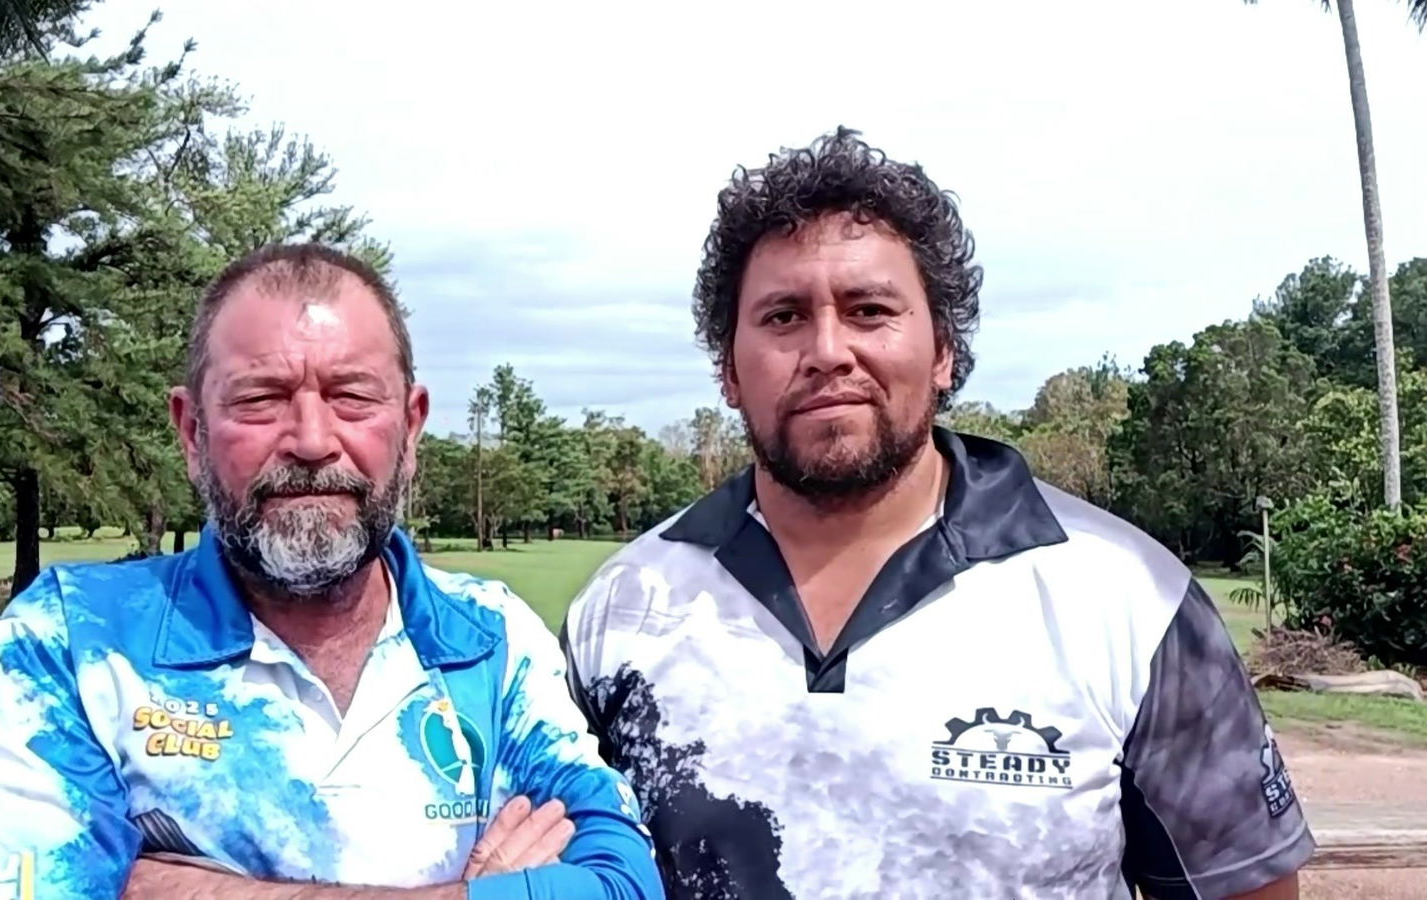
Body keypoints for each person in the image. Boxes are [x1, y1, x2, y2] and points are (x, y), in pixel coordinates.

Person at [562, 128, 1313, 899]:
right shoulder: (625, 608)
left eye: (869, 309)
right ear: (727, 367)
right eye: (783, 317)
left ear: (944, 349)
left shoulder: (1127, 597)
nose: (827, 349)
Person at [0, 244, 662, 900]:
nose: (311, 440)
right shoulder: (70, 642)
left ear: (410, 426)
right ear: (190, 429)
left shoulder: (493, 642)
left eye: (351, 396)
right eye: (261, 399)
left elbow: (622, 883)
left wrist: (153, 883)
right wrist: (477, 893)